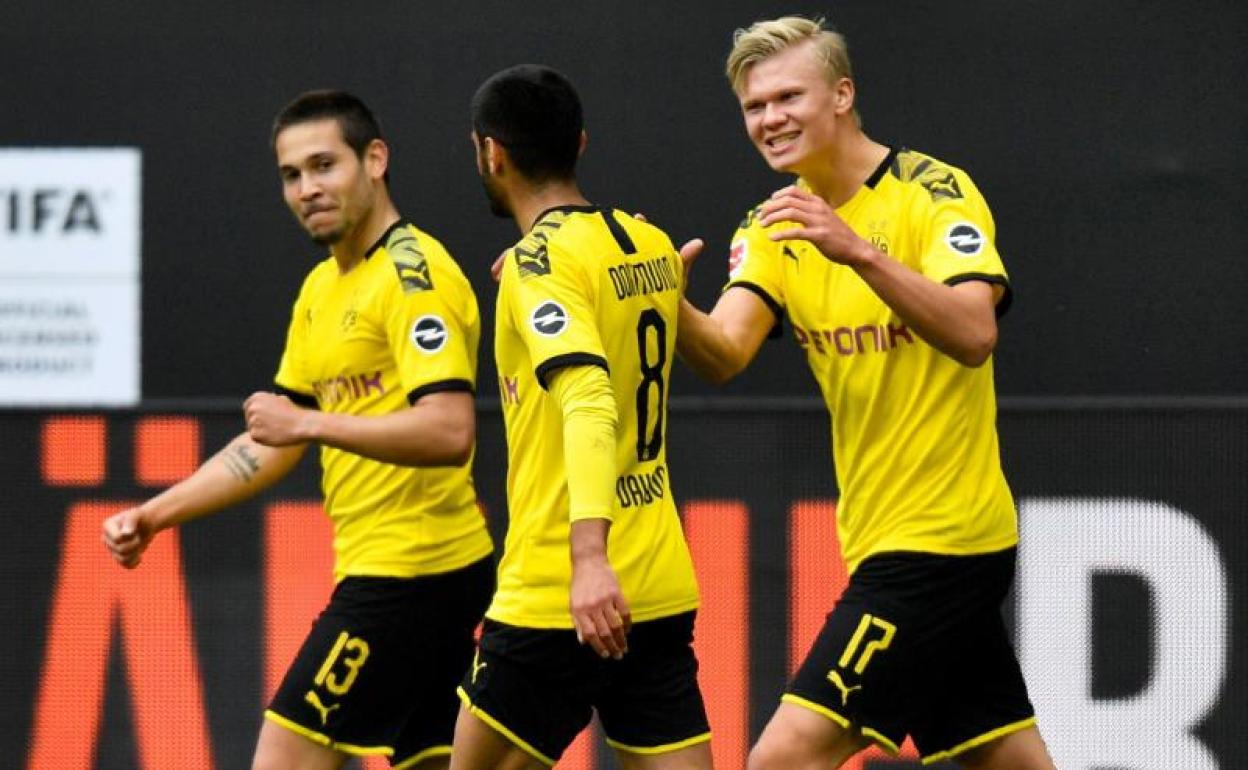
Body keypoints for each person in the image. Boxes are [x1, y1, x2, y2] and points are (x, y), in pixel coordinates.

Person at [675, 16, 1057, 770]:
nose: (770, 118)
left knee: (782, 758)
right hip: (880, 534)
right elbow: (723, 353)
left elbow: (976, 332)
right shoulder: (772, 224)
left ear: (843, 94)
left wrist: (856, 252)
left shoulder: (932, 193)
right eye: (755, 106)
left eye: (789, 96)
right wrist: (660, 305)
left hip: (944, 539)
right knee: (1003, 759)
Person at [101, 90, 495, 770]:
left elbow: (448, 430)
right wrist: (154, 514)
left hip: (409, 577)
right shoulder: (322, 289)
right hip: (419, 579)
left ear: (375, 160)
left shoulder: (413, 276)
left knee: (282, 758)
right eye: (292, 174)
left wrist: (308, 421)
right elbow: (269, 442)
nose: (307, 188)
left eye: (324, 165)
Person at [450, 65, 713, 770]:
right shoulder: (649, 244)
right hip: (656, 584)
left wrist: (589, 558)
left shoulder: (539, 262)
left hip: (558, 593)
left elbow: (589, 397)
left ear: (491, 153)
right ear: (582, 143)